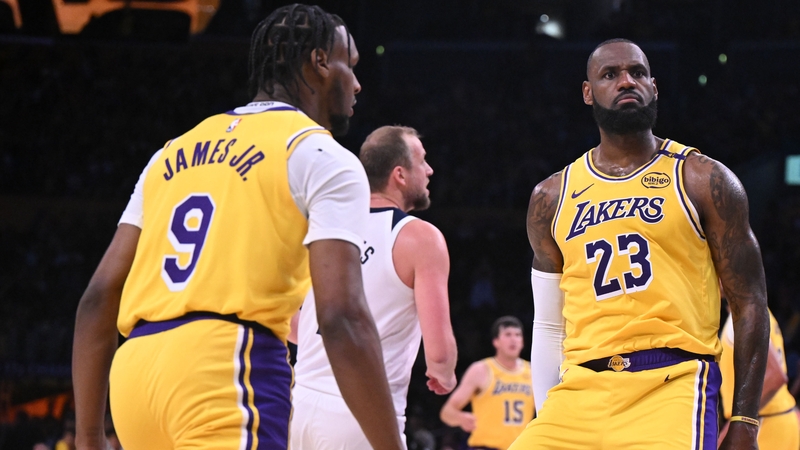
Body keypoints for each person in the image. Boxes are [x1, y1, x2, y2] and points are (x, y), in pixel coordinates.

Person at [72, 4, 404, 450]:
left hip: (136, 381)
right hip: (226, 368)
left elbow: (97, 298)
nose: (358, 83)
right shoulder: (322, 157)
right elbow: (341, 317)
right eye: (352, 64)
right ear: (321, 62)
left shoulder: (170, 152)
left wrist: (89, 435)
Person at [515, 38, 770, 449]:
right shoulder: (550, 197)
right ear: (587, 92)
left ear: (654, 86)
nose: (626, 82)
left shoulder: (703, 180)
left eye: (637, 72)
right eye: (610, 75)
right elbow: (548, 323)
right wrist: (550, 415)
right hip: (581, 390)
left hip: (673, 383)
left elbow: (750, 302)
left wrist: (744, 419)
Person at [289, 125, 458, 449]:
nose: (429, 169)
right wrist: (445, 372)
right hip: (361, 414)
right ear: (399, 174)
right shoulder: (419, 237)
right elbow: (438, 353)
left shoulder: (324, 227)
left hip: (300, 407)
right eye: (421, 161)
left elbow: (295, 325)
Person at [440, 316, 534, 450]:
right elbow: (447, 412)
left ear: (523, 341)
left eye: (518, 335)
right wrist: (461, 418)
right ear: (496, 342)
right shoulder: (481, 370)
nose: (513, 339)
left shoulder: (532, 372)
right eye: (507, 335)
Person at [719, 298, 800, 449]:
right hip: (781, 419)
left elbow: (775, 377)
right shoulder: (757, 311)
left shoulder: (741, 318)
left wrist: (736, 422)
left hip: (766, 425)